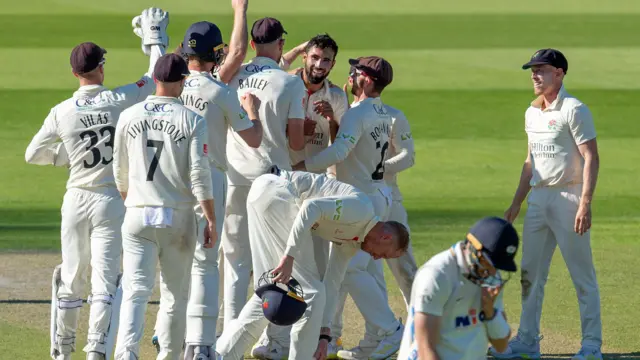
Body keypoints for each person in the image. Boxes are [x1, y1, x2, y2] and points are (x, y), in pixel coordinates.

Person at [24, 8, 168, 360]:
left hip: (76, 199)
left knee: (72, 278)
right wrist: (154, 40)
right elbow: (154, 77)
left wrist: (65, 156)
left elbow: (32, 153)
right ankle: (96, 350)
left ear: (74, 73)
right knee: (105, 283)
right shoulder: (118, 99)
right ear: (101, 67)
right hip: (110, 200)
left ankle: (63, 349)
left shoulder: (62, 111)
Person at [216, 168, 409, 360]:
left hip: (264, 193)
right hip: (276, 192)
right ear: (385, 237)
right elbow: (311, 207)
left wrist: (324, 335)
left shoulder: (353, 243)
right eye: (384, 254)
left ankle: (219, 355)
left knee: (270, 291)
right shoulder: (361, 209)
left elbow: (332, 283)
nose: (376, 258)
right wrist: (289, 256)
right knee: (310, 294)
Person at [489, 49, 602, 360]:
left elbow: (591, 157)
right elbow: (530, 162)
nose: (535, 75)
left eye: (541, 69)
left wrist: (585, 203)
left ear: (560, 73)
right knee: (530, 274)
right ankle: (527, 341)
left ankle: (591, 346)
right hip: (539, 199)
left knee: (582, 276)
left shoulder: (575, 109)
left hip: (569, 198)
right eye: (532, 70)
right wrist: (516, 203)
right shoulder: (532, 112)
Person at [293, 56, 403, 360]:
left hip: (360, 201)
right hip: (378, 194)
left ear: (366, 81)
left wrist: (300, 168)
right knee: (370, 269)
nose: (350, 76)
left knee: (351, 271)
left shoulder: (358, 113)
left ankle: (391, 330)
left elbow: (340, 151)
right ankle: (375, 339)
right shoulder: (384, 113)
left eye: (355, 73)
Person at [250, 33, 350, 360]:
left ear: (333, 64)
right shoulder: (286, 84)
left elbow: (344, 147)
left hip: (317, 193)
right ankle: (275, 343)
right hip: (282, 190)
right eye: (315, 57)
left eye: (326, 60)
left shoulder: (336, 97)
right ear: (305, 57)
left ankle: (322, 340)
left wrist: (332, 121)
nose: (320, 65)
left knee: (318, 273)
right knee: (279, 267)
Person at [112, 53, 216, 360]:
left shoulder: (128, 115)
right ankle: (169, 356)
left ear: (155, 79)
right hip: (178, 218)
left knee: (135, 292)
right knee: (174, 297)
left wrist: (133, 203)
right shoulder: (192, 119)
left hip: (137, 214)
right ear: (183, 81)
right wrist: (210, 218)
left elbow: (119, 171)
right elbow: (199, 175)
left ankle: (126, 354)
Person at [173, 19, 263, 360]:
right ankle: (201, 344)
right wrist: (253, 113)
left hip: (172, 180)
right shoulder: (220, 92)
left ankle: (174, 340)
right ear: (215, 54)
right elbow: (253, 139)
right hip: (210, 180)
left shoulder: (171, 86)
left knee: (174, 263)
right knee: (207, 262)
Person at [220, 16, 307, 331]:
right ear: (281, 43)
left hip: (233, 175)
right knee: (272, 259)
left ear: (253, 45)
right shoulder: (292, 82)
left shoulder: (232, 76)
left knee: (234, 260)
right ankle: (268, 338)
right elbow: (296, 142)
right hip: (272, 178)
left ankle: (231, 332)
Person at [397, 216, 519, 360]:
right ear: (474, 248)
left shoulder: (490, 278)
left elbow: (501, 345)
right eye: (490, 264)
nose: (493, 273)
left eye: (497, 266)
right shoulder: (436, 275)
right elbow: (426, 349)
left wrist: (490, 313)